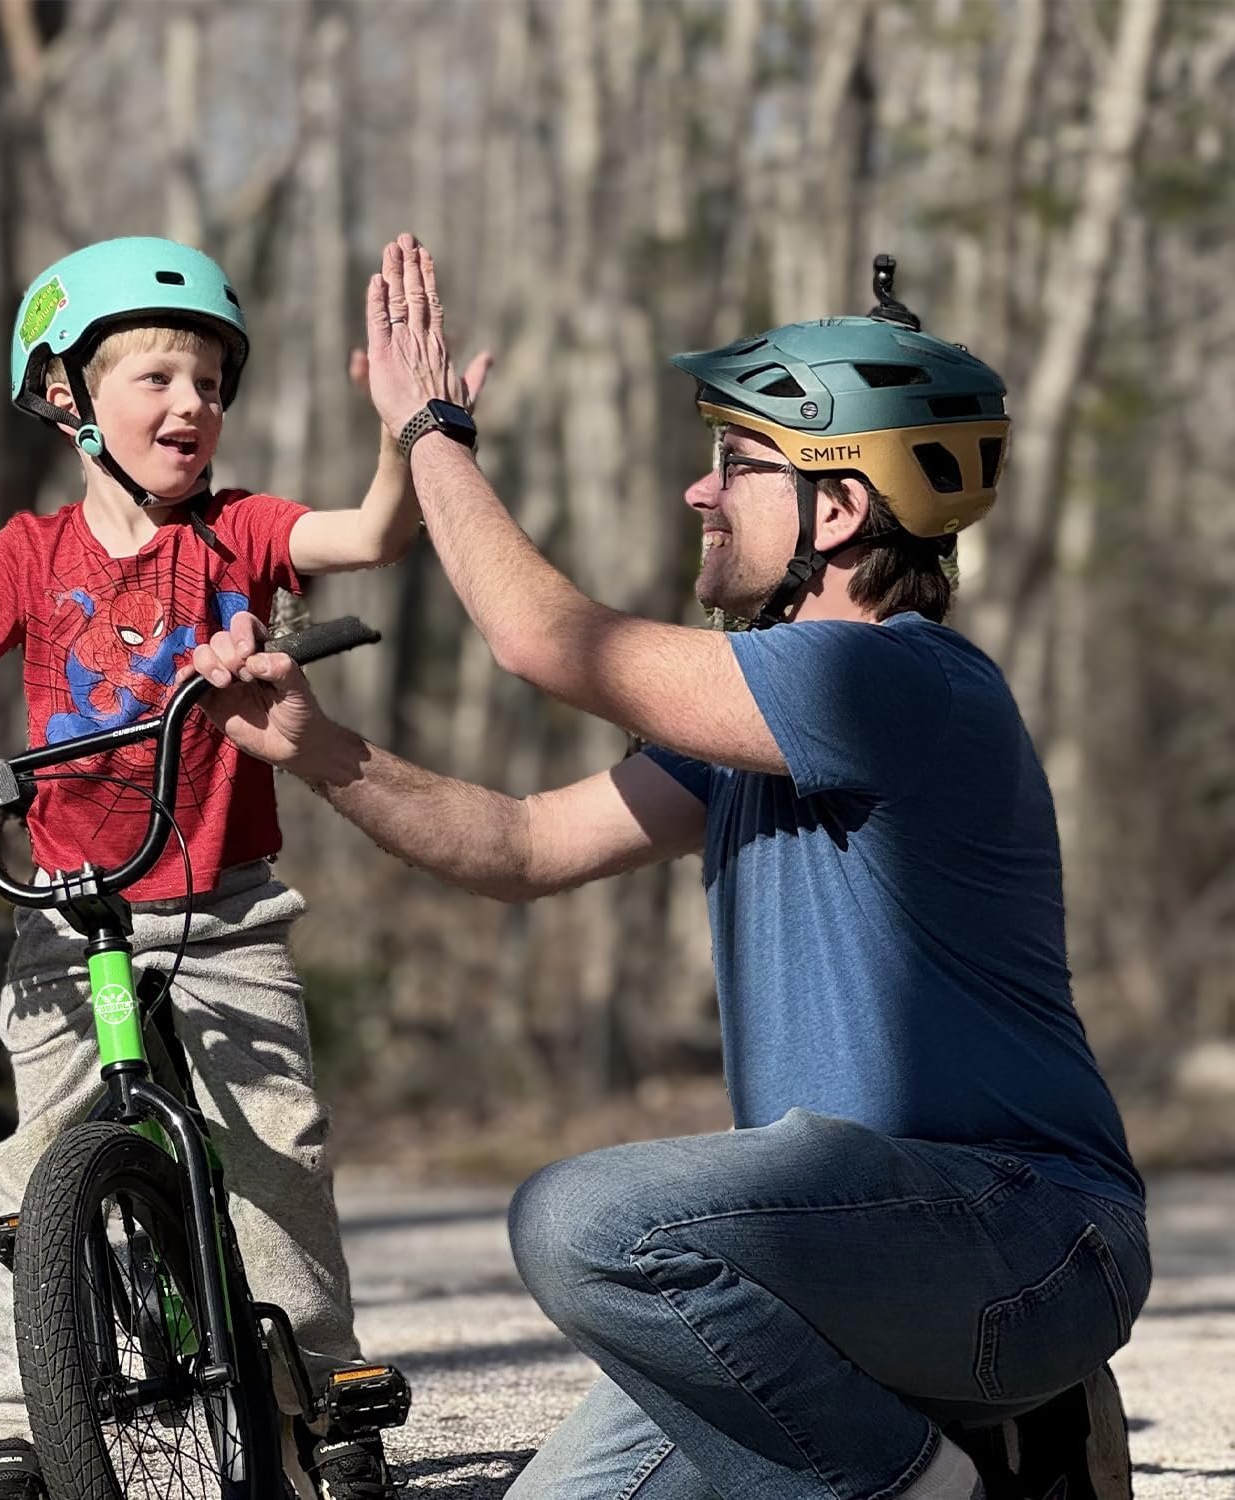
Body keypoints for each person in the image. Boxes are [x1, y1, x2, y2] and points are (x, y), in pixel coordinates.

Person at [189, 235, 1150, 1500]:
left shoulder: (893, 679)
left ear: (838, 509)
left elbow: (545, 641)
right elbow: (523, 845)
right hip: (834, 1276)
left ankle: (940, 1482)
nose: (700, 492)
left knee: (586, 1223)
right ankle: (988, 1454)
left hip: (1020, 1242)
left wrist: (428, 433)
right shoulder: (765, 727)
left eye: (737, 462)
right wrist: (317, 749)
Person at [0, 236, 484, 1500]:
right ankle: (23, 1420)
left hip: (225, 910)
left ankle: (322, 1384)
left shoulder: (240, 532)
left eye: (211, 384)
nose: (191, 405)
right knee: (38, 1167)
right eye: (158, 378)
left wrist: (408, 436)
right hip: (69, 917)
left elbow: (377, 534)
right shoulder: (26, 555)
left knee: (273, 1148)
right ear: (69, 397)